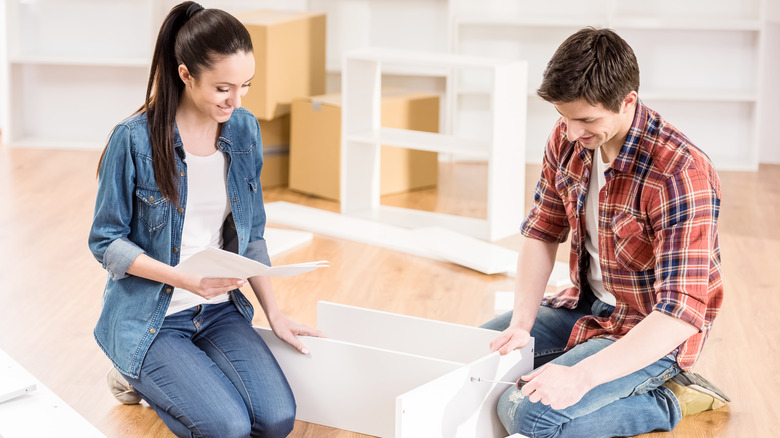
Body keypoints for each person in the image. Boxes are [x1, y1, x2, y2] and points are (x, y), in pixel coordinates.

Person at [88, 2, 322, 436]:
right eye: (222, 88)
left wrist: (275, 313)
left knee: (276, 421)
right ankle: (134, 373)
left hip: (217, 311)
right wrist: (184, 280)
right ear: (185, 74)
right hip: (152, 319)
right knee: (228, 428)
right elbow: (106, 242)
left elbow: (252, 236)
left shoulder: (243, 131)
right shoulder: (133, 139)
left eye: (246, 85)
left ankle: (173, 379)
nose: (236, 100)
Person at [482, 27, 729, 437]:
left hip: (650, 329)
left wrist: (581, 377)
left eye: (586, 119)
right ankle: (590, 375)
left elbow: (681, 314)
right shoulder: (568, 138)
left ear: (628, 100)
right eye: (564, 116)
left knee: (528, 413)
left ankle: (667, 399)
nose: (573, 131)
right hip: (585, 306)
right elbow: (542, 231)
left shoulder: (680, 173)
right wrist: (522, 325)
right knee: (471, 357)